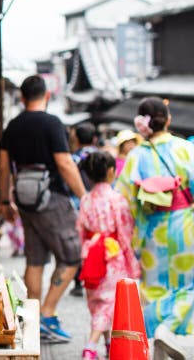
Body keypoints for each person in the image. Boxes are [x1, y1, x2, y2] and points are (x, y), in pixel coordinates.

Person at [0, 75, 87, 344]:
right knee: (73, 256)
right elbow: (65, 163)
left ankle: (32, 319)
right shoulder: (52, 123)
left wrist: (4, 201)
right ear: (46, 96)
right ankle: (46, 315)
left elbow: (3, 167)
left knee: (35, 260)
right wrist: (85, 197)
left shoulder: (12, 126)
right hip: (53, 200)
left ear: (23, 98)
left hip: (26, 203)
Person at [115, 97, 194, 356]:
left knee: (154, 289)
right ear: (168, 120)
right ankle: (172, 331)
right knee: (187, 285)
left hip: (151, 233)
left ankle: (155, 338)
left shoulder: (135, 157)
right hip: (185, 228)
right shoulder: (186, 149)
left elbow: (124, 202)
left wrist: (132, 238)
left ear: (142, 125)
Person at [76, 151, 140, 360]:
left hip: (91, 252)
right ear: (111, 171)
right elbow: (125, 230)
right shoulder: (116, 199)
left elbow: (81, 229)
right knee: (108, 304)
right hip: (112, 256)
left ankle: (107, 344)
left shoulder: (85, 199)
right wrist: (130, 258)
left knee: (97, 302)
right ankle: (90, 347)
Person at [69, 121, 99, 297]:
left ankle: (79, 281)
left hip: (77, 204)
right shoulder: (102, 156)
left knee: (81, 242)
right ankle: (96, 275)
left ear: (77, 140)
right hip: (99, 204)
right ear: (94, 138)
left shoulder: (73, 159)